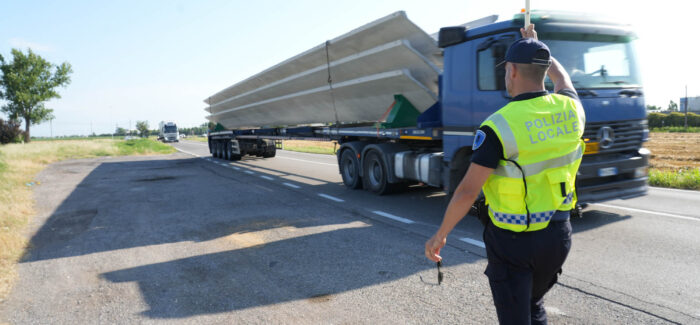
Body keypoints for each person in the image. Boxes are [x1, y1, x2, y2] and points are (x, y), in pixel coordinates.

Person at [425, 24, 585, 325]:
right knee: (533, 304)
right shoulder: (572, 110)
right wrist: (538, 46)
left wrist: (440, 234)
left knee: (515, 317)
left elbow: (467, 192)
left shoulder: (498, 126)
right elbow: (562, 79)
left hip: (514, 243)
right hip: (558, 237)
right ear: (543, 69)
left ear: (510, 71)